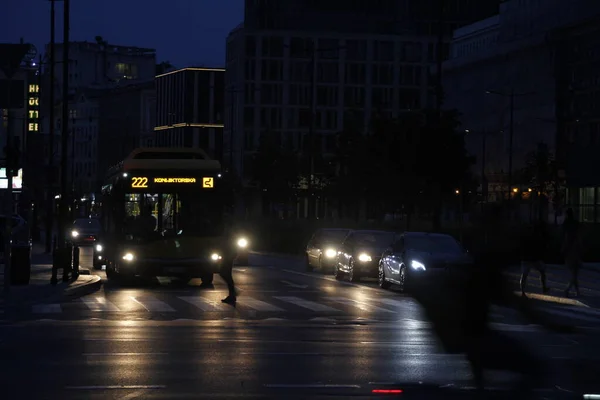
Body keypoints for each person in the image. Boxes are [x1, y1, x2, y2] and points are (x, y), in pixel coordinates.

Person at [520, 219, 550, 296]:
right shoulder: (535, 236)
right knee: (541, 272)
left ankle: (523, 292)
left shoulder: (527, 236)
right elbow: (539, 247)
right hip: (532, 258)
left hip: (529, 258)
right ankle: (543, 288)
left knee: (525, 275)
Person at [562, 207, 581, 297]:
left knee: (573, 272)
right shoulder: (575, 224)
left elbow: (564, 236)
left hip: (569, 249)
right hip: (575, 249)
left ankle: (571, 290)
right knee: (575, 272)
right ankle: (574, 291)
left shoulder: (566, 224)